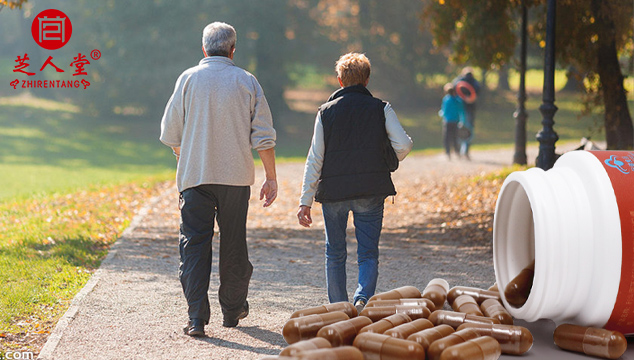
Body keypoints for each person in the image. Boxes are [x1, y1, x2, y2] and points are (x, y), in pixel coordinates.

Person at [159, 22, 278, 337]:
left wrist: (186, 158)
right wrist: (271, 177)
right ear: (232, 49)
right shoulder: (246, 81)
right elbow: (264, 136)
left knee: (194, 245)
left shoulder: (188, 79)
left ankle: (196, 317)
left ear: (203, 49)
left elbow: (171, 133)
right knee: (234, 243)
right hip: (235, 179)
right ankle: (232, 310)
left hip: (195, 179)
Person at [297, 53, 413, 313]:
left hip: (334, 192)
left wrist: (305, 201)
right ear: (367, 80)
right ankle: (362, 299)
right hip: (371, 190)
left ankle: (339, 307)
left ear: (339, 80)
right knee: (368, 252)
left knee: (335, 252)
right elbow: (403, 145)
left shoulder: (325, 112)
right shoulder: (381, 108)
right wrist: (386, 158)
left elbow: (315, 158)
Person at [453, 67, 480, 159]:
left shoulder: (458, 81)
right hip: (470, 108)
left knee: (458, 130)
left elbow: (453, 88)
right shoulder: (474, 82)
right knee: (469, 130)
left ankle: (458, 150)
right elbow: (477, 91)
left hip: (459, 109)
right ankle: (466, 151)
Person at [438, 82, 465, 160]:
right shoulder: (458, 100)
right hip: (456, 121)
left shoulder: (446, 99)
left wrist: (441, 114)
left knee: (447, 137)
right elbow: (461, 111)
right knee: (455, 137)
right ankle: (457, 152)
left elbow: (444, 111)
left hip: (448, 121)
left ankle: (448, 153)